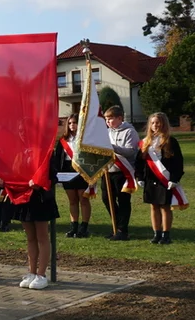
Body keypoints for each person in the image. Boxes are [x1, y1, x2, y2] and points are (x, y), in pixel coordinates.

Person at [15, 150, 62, 290]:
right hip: (25, 197)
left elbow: (53, 176)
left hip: (41, 198)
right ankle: (31, 272)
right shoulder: (21, 152)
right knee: (30, 237)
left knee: (42, 236)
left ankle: (41, 274)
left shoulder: (47, 152)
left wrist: (39, 183)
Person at [137, 112, 185, 245]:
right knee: (153, 206)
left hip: (166, 179)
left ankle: (166, 234)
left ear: (163, 123)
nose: (155, 125)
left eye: (157, 122)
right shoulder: (145, 143)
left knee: (165, 207)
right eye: (152, 123)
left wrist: (174, 179)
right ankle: (156, 234)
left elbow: (178, 162)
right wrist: (140, 177)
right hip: (150, 179)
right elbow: (139, 162)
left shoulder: (171, 141)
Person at [101, 105, 139, 241]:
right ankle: (116, 226)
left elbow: (131, 151)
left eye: (110, 119)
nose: (108, 122)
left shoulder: (130, 132)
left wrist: (113, 148)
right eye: (106, 119)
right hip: (108, 170)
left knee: (123, 200)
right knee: (107, 198)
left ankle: (123, 230)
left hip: (123, 171)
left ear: (119, 118)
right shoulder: (107, 132)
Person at [56, 114, 92, 238]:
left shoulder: (85, 138)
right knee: (72, 201)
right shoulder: (63, 140)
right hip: (68, 169)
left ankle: (84, 227)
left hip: (82, 170)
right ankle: (74, 226)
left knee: (83, 199)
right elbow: (58, 157)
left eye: (75, 122)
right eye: (70, 123)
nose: (72, 125)